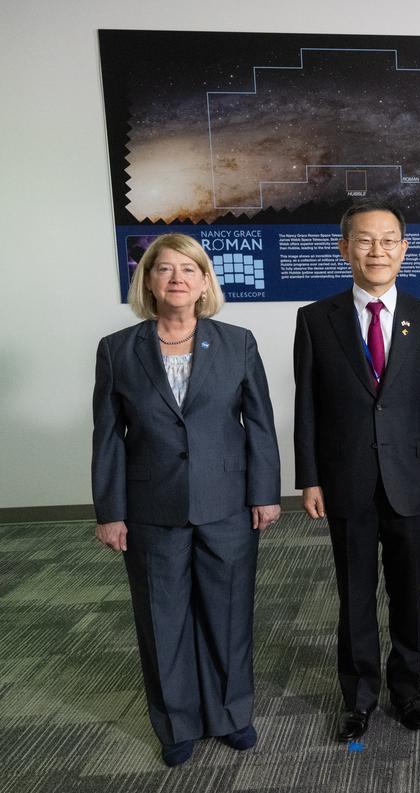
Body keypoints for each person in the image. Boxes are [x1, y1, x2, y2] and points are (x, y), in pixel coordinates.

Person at [92, 233, 281, 767]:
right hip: (152, 507)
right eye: (164, 269)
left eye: (188, 269)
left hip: (227, 503)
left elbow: (260, 426)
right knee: (162, 617)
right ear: (148, 281)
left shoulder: (237, 341)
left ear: (204, 283)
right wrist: (110, 511)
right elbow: (106, 436)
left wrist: (265, 493)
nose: (177, 278)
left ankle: (231, 714)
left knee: (228, 614)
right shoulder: (117, 349)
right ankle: (176, 724)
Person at [293, 198, 420, 741]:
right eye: (365, 240)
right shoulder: (316, 319)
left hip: (411, 480)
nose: (377, 250)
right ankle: (359, 696)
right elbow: (307, 405)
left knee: (409, 593)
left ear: (404, 249)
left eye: (389, 240)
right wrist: (309, 477)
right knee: (355, 593)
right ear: (345, 250)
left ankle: (408, 689)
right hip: (346, 481)